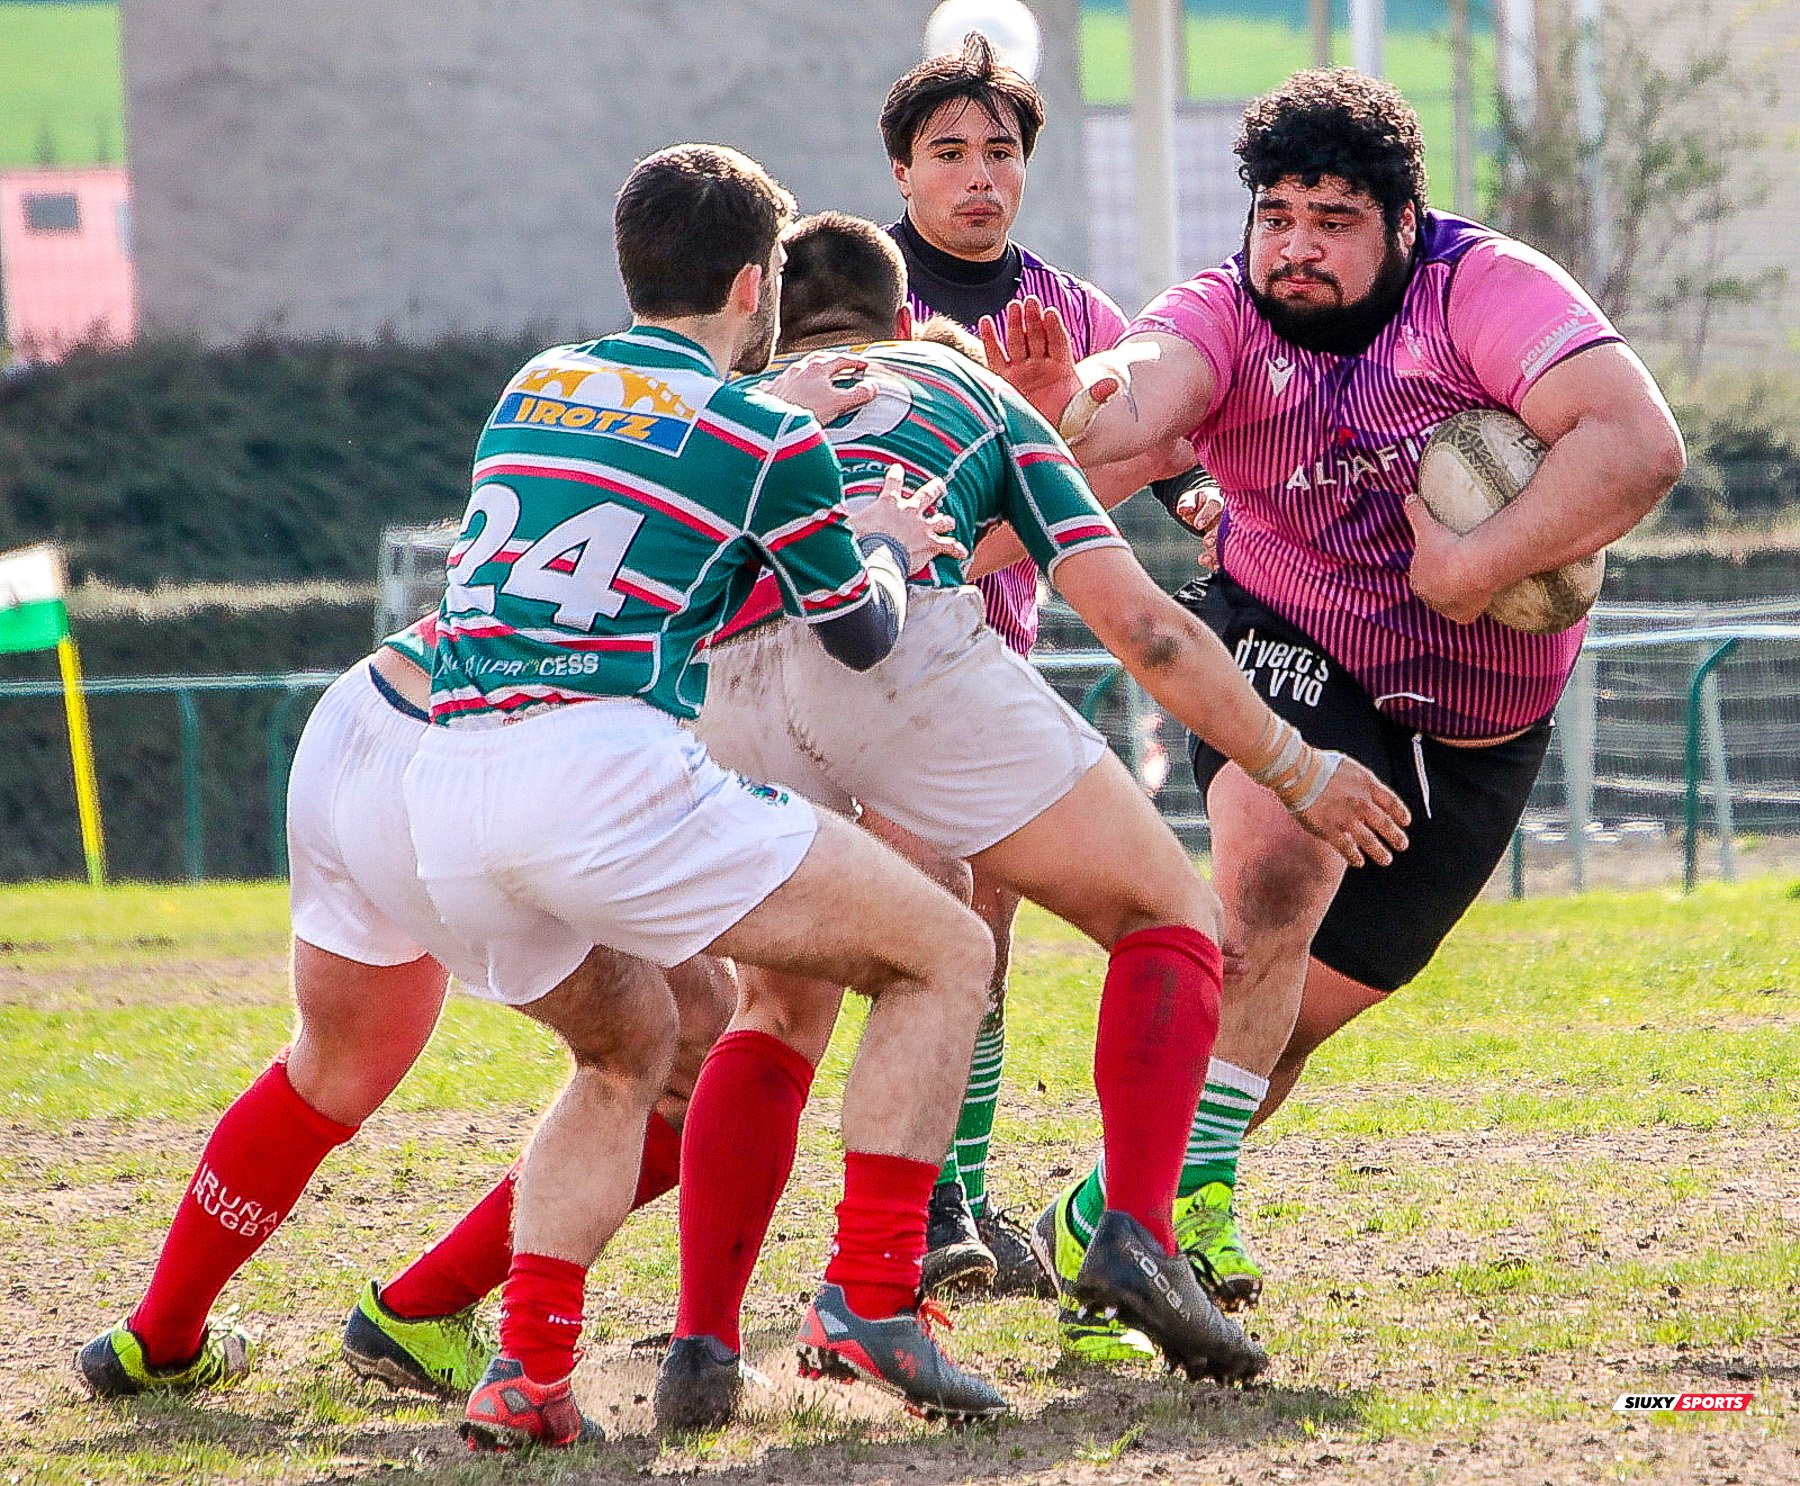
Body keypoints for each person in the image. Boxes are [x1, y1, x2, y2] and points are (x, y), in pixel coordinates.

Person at [650, 211, 1412, 1431]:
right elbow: (1144, 625)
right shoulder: (960, 382)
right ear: (908, 319)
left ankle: (700, 1343)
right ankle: (1131, 1238)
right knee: (1166, 915)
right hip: (894, 643)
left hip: (729, 680)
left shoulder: (743, 412)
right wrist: (1294, 763)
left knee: (777, 1006)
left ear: (765, 323)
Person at [984, 69, 1684, 1342]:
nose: (1297, 247)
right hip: (1283, 629)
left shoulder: (1483, 289)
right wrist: (1065, 402)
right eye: (1278, 215)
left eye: (1335, 218)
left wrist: (1470, 563)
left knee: (1283, 1014)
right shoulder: (1222, 312)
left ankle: (1105, 1213)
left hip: (1479, 722)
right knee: (1273, 885)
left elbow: (1638, 447)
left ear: (1403, 225)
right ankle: (1178, 1222)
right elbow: (1140, 389)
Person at [71, 347, 877, 1408]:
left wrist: (773, 404)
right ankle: (424, 1313)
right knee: (671, 1047)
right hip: (467, 764)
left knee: (336, 1066)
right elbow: (837, 620)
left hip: (362, 718)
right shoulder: (775, 467)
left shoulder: (569, 391)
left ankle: (157, 1337)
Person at [400, 143, 1010, 1447]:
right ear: (754, 284)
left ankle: (527, 1375)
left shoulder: (538, 381)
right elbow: (853, 631)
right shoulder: (766, 432)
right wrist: (892, 546)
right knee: (947, 946)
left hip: (445, 798)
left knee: (632, 1053)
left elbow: (654, 526)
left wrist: (766, 402)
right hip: (603, 782)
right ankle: (868, 1294)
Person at [879, 29, 1156, 1300]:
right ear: (900, 169)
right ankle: (906, 1208)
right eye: (950, 153)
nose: (978, 175)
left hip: (990, 654)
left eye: (1000, 151)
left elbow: (1137, 453)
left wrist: (1198, 495)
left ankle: (956, 1198)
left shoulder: (1077, 310)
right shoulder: (865, 301)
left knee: (981, 925)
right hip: (860, 650)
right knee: (904, 922)